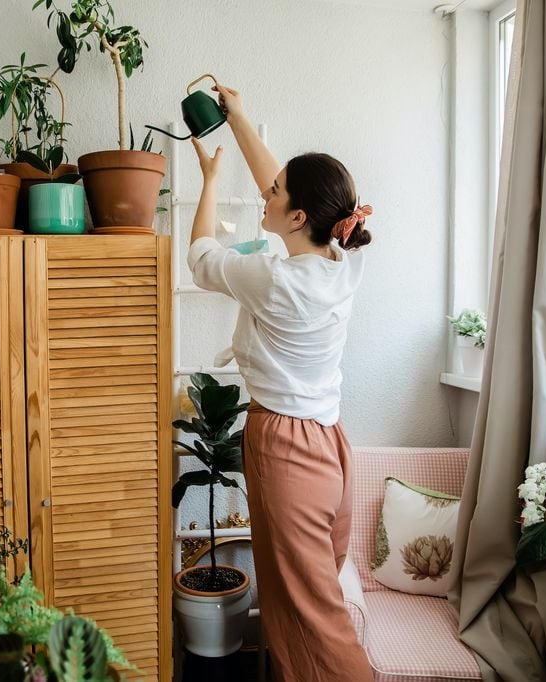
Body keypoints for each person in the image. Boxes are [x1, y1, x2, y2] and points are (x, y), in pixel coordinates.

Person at [186, 83, 374, 682]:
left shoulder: (275, 279)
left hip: (286, 445)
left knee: (308, 609)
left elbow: (199, 256)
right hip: (330, 443)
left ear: (297, 217)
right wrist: (238, 117)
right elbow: (293, 195)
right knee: (315, 590)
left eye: (275, 191)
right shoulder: (344, 259)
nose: (266, 189)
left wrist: (211, 180)